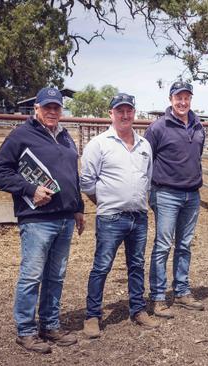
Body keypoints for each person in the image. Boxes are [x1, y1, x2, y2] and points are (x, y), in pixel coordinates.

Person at [0, 87, 85, 353]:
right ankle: (26, 330)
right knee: (32, 275)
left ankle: (50, 324)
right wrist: (29, 189)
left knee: (56, 276)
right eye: (47, 107)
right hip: (37, 219)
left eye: (56, 107)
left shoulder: (66, 137)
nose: (52, 112)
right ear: (36, 109)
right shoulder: (21, 135)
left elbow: (72, 177)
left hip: (65, 217)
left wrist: (78, 208)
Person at [80, 93, 158, 337]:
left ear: (134, 114)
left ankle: (138, 309)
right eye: (120, 111)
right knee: (102, 266)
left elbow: (147, 179)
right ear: (110, 114)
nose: (125, 115)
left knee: (136, 265)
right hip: (111, 217)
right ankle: (92, 315)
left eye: (129, 111)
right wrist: (106, 201)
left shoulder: (144, 145)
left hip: (139, 216)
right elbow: (87, 182)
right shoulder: (99, 144)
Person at [144, 81, 206, 318]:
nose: (182, 102)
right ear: (170, 99)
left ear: (190, 99)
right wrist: (152, 193)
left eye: (186, 97)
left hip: (192, 194)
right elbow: (146, 160)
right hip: (166, 193)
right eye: (178, 97)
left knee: (184, 244)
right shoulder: (158, 127)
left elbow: (196, 156)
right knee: (162, 245)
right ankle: (158, 297)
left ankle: (181, 291)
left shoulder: (198, 125)